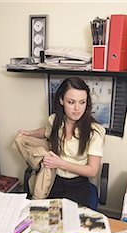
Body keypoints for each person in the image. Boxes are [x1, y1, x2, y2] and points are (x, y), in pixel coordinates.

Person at [19, 77, 106, 206]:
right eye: (71, 102)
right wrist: (30, 133)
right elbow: (47, 131)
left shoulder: (95, 131)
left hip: (77, 183)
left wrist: (60, 163)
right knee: (43, 215)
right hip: (54, 178)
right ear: (61, 100)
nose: (77, 108)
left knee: (68, 220)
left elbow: (92, 171)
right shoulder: (54, 120)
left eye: (82, 102)